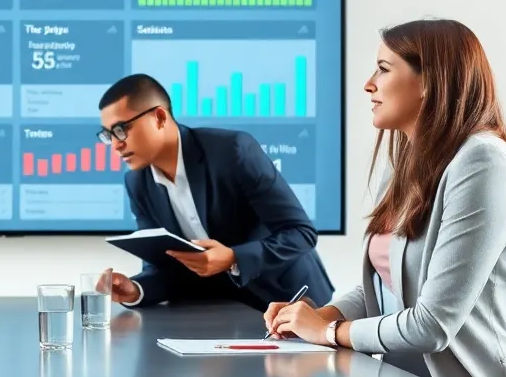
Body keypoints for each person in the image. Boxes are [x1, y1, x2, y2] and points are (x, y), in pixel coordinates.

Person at [266, 18, 506, 377]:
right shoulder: (406, 163)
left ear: (429, 81)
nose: (368, 84)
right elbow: (385, 291)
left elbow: (431, 324)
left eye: (383, 69)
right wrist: (321, 315)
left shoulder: (484, 163)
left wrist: (329, 333)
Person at [94, 74, 333, 311]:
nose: (115, 144)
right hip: (217, 312)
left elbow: (301, 233)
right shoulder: (137, 182)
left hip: (288, 302)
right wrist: (136, 289)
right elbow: (162, 268)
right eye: (108, 135)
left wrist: (233, 258)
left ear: (159, 117)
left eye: (121, 129)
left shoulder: (233, 151)